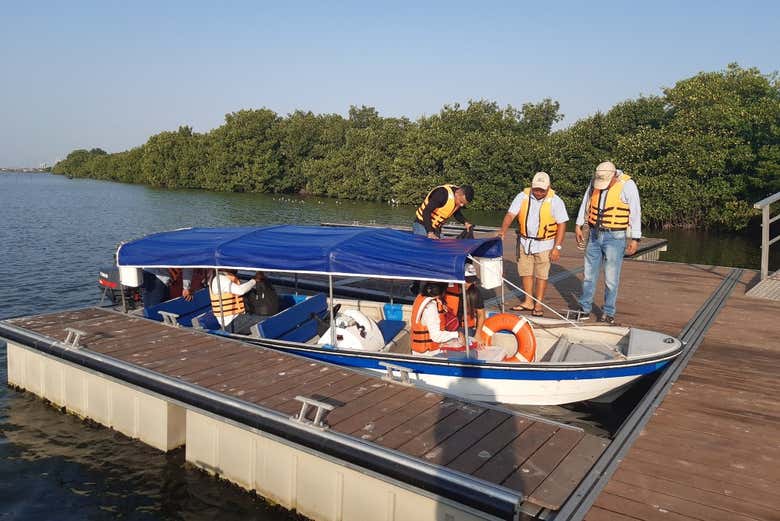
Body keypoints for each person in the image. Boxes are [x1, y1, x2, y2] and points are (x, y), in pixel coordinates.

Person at [575, 161, 642, 324]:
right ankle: (584, 309)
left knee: (611, 277)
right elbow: (586, 202)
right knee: (589, 274)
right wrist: (578, 224)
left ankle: (608, 312)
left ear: (613, 176)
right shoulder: (594, 181)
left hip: (616, 236)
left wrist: (635, 237)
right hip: (594, 234)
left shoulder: (627, 184)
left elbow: (635, 211)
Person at [497, 172, 568, 317]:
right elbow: (511, 214)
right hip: (524, 242)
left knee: (542, 275)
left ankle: (538, 303)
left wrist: (557, 247)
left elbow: (562, 224)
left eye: (542, 190)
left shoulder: (556, 200)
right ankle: (528, 301)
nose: (538, 192)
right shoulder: (522, 196)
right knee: (525, 272)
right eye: (536, 189)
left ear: (548, 188)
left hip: (545, 244)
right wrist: (502, 231)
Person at [209, 269, 268, 334]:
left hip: (238, 318)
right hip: (232, 324)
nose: (236, 268)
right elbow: (240, 290)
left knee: (263, 317)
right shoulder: (220, 279)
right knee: (268, 321)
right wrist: (254, 280)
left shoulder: (225, 277)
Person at [410, 282, 464, 355]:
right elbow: (436, 336)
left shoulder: (420, 299)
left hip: (422, 351)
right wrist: (457, 334)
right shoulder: (431, 307)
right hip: (430, 354)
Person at [444, 264, 485, 344]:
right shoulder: (448, 289)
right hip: (449, 328)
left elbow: (481, 314)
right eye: (467, 280)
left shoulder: (476, 293)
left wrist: (478, 333)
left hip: (467, 329)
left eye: (471, 281)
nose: (468, 283)